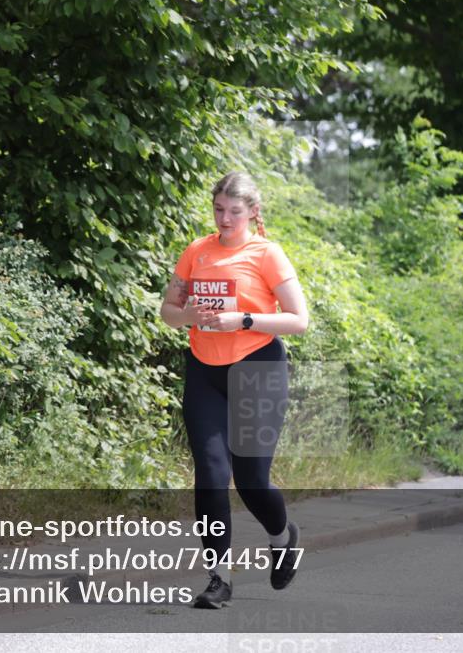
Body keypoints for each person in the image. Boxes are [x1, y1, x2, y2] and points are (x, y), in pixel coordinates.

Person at [160, 170, 310, 609]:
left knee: (250, 480)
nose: (225, 220)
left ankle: (282, 538)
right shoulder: (196, 252)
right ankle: (218, 578)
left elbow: (298, 320)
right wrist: (191, 314)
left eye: (234, 212)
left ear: (253, 213)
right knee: (210, 474)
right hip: (205, 370)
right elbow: (168, 311)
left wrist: (242, 319)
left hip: (257, 368)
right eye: (218, 210)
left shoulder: (267, 254)